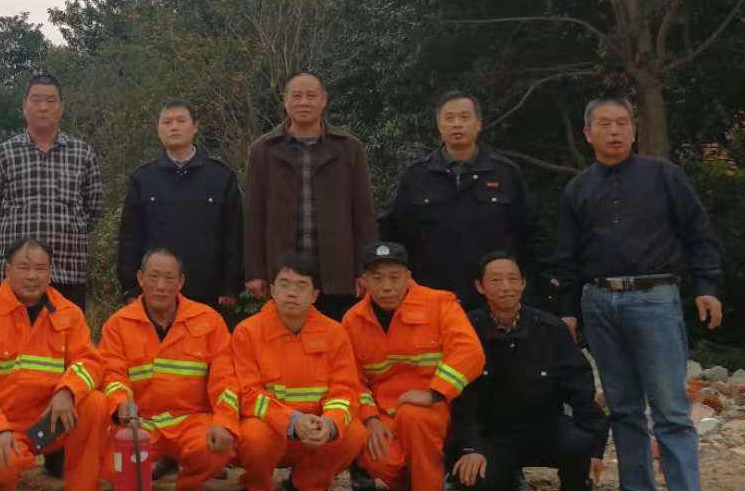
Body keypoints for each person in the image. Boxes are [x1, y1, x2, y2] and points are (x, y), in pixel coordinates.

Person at [557, 97, 724, 491]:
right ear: (588, 133)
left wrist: (707, 287)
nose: (614, 131)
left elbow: (698, 233)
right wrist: (568, 311)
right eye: (604, 124)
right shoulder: (578, 190)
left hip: (655, 297)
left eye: (622, 123)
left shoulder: (665, 177)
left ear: (633, 130)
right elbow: (567, 255)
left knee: (669, 406)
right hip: (599, 300)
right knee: (623, 404)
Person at [449, 253, 609, 491]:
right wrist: (471, 447)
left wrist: (595, 448)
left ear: (523, 283)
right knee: (472, 478)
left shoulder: (551, 328)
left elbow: (580, 388)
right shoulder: (466, 329)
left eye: (513, 279)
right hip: (495, 431)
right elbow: (463, 397)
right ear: (479, 286)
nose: (506, 287)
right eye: (495, 280)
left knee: (578, 443)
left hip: (545, 425)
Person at [0, 237, 109, 491]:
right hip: (4, 425)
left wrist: (68, 391)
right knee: (0, 474)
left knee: (96, 403)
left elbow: (90, 363)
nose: (32, 276)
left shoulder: (69, 314)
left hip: (49, 421)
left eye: (40, 269)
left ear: (50, 273)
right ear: (7, 270)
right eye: (24, 267)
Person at [344, 242, 484, 491]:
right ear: (364, 281)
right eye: (377, 278)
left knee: (414, 416)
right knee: (369, 448)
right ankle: (402, 486)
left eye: (394, 277)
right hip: (384, 413)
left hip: (434, 408)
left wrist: (434, 392)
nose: (386, 287)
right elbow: (351, 378)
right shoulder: (353, 321)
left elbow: (470, 352)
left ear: (408, 277)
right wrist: (370, 419)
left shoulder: (439, 304)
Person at [379, 91, 548, 312]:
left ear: (479, 124)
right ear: (439, 126)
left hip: (493, 300)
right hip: (433, 297)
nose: (457, 124)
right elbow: (395, 233)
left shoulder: (505, 173)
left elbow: (530, 234)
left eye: (464, 117)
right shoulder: (417, 175)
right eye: (449, 118)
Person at [97, 247, 239, 491]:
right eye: (153, 277)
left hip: (191, 422)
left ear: (181, 282)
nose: (161, 286)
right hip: (141, 423)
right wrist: (121, 404)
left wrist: (224, 422)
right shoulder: (118, 324)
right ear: (140, 278)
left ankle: (190, 487)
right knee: (112, 467)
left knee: (216, 449)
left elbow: (225, 380)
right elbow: (112, 374)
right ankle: (141, 477)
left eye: (169, 278)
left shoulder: (209, 321)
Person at [230, 253, 364, 491]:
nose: (292, 293)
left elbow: (346, 389)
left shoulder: (334, 333)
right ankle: (257, 490)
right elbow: (248, 394)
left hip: (316, 433)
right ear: (272, 291)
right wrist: (292, 422)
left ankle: (307, 487)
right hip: (271, 430)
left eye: (301, 286)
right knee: (253, 435)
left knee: (354, 432)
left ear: (314, 295)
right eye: (284, 284)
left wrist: (329, 423)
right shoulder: (248, 332)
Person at [244, 72, 377, 320]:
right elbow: (253, 216)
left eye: (311, 96)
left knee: (336, 337)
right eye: (296, 96)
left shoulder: (349, 148)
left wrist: (366, 268)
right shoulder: (263, 150)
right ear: (285, 100)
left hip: (337, 270)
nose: (304, 102)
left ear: (324, 100)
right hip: (283, 272)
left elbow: (363, 214)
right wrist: (255, 271)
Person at [0, 74, 105, 311]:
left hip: (67, 271)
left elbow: (93, 210)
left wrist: (68, 230)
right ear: (24, 105)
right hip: (13, 276)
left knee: (65, 333)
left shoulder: (83, 154)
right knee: (6, 334)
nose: (43, 107)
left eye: (50, 100)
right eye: (36, 100)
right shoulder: (2, 154)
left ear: (61, 107)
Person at [117, 100, 243, 307]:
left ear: (195, 127)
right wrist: (131, 288)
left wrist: (229, 285)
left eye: (181, 120)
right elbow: (129, 238)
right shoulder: (142, 179)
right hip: (156, 291)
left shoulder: (221, 176)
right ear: (158, 129)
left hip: (207, 290)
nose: (174, 127)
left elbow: (233, 235)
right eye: (167, 122)